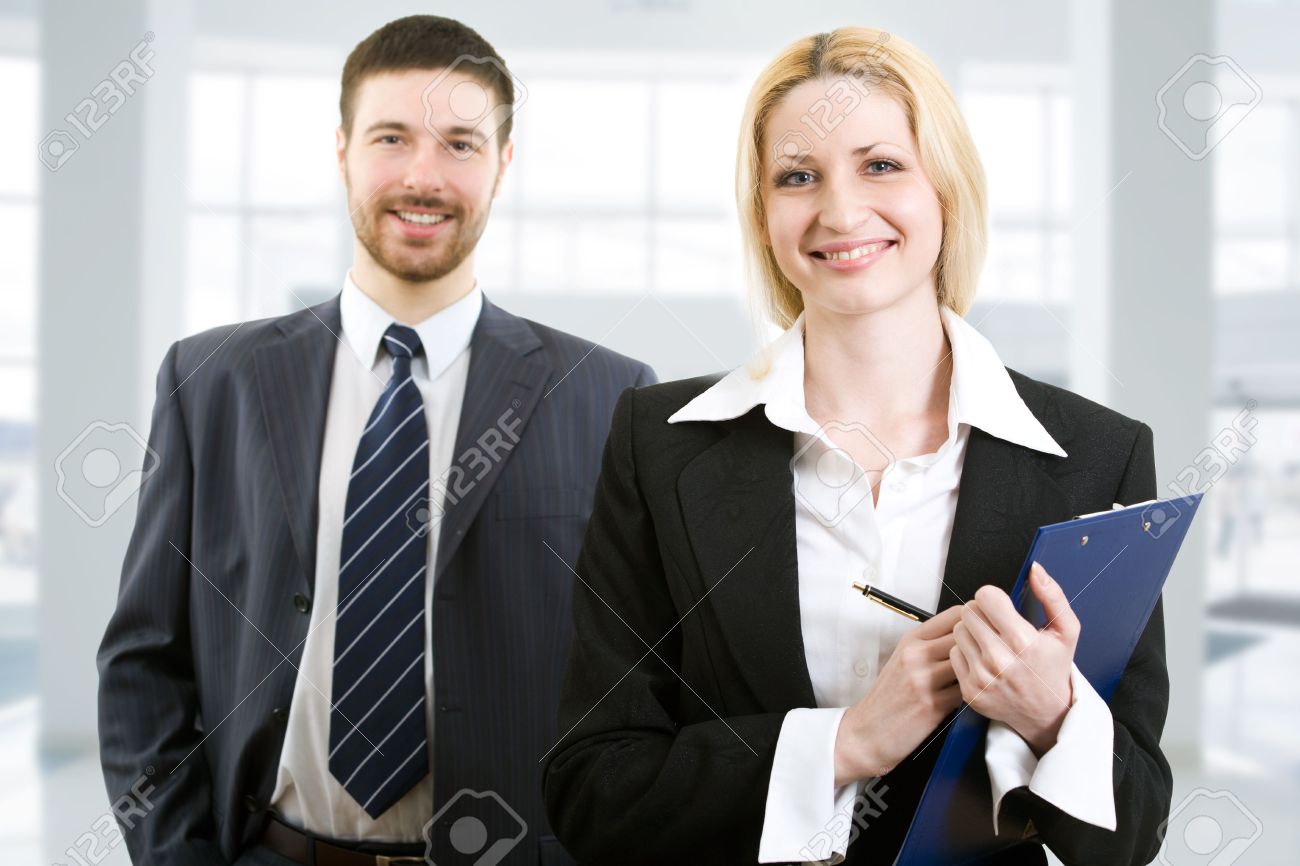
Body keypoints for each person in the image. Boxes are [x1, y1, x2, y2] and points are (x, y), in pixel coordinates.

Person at [543, 26, 1170, 865]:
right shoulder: (658, 448)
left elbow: (1132, 837)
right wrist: (845, 743)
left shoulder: (1097, 457)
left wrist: (1053, 714)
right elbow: (593, 793)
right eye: (798, 177)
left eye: (881, 165)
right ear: (764, 220)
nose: (840, 211)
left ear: (945, 189)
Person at [97, 15, 653, 866]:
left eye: (461, 144)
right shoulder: (211, 381)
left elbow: (638, 682)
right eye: (392, 137)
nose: (423, 176)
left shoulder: (609, 395)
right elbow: (145, 660)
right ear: (343, 150)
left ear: (504, 165)